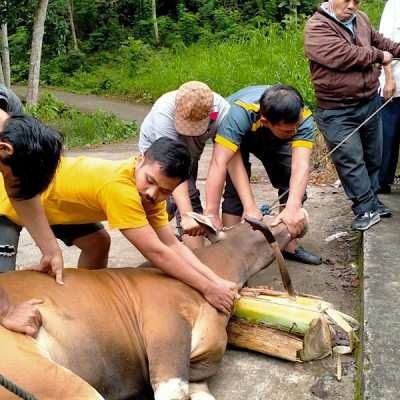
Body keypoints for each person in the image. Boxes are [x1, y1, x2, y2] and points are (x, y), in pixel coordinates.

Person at [0, 137, 239, 315]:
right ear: (140, 159)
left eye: (165, 191)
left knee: (98, 243)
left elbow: (171, 244)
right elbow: (156, 252)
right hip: (12, 202)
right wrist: (207, 288)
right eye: (150, 181)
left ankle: (77, 300)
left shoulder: (149, 194)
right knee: (4, 290)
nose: (152, 193)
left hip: (59, 206)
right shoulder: (120, 189)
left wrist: (214, 281)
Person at [304, 0, 400, 231]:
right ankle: (365, 207)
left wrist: (392, 50)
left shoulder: (362, 19)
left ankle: (372, 199)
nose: (351, 6)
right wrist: (380, 55)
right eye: (346, 0)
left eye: (356, 1)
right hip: (336, 110)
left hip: (367, 102)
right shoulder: (317, 27)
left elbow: (383, 42)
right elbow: (343, 55)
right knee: (351, 161)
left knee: (373, 157)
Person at [204, 84, 322, 265]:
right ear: (266, 122)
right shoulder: (239, 112)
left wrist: (293, 206)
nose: (295, 133)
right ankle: (232, 254)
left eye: (296, 127)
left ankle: (288, 245)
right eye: (289, 130)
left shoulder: (301, 117)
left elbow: (300, 165)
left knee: (290, 179)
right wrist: (212, 213)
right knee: (236, 193)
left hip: (275, 137)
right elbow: (219, 162)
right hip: (238, 136)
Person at [139, 81, 230, 249]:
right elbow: (172, 165)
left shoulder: (223, 111)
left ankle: (151, 232)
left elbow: (221, 160)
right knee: (186, 199)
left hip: (190, 157)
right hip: (159, 154)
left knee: (172, 199)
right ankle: (199, 257)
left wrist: (212, 213)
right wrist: (188, 215)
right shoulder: (164, 112)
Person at [0, 99, 64, 337]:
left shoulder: (10, 126)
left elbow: (20, 192)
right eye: (5, 174)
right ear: (5, 148)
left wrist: (51, 250)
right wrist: (6, 311)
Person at [377, 0, 400, 194]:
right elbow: (384, 46)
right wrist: (389, 79)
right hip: (396, 85)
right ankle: (382, 181)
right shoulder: (394, 5)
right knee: (388, 136)